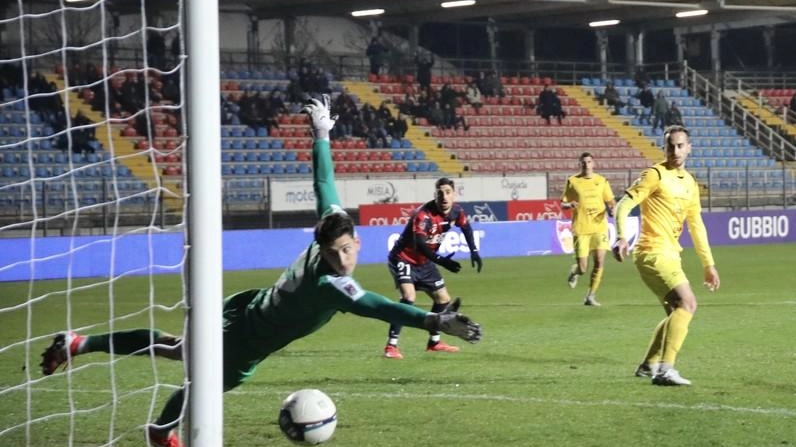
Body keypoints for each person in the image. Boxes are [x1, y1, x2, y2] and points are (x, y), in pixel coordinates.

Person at [39, 95, 483, 447]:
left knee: (178, 351)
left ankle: (81, 344)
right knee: (203, 379)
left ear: (355, 240)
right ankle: (158, 431)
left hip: (247, 305)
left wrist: (321, 135)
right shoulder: (333, 284)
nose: (341, 259)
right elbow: (374, 304)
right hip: (250, 337)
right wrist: (432, 319)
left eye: (346, 251)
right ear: (322, 249)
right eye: (332, 254)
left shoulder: (332, 220)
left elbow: (324, 184)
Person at [612, 125, 720, 386]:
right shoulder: (654, 175)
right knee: (688, 304)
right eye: (671, 146)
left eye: (680, 145)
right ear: (664, 148)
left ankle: (649, 365)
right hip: (652, 252)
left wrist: (709, 264)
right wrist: (621, 235)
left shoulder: (691, 184)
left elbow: (696, 225)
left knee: (676, 311)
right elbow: (624, 204)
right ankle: (665, 370)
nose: (675, 150)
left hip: (671, 254)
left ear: (689, 147)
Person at [383, 177, 484, 359]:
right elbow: (421, 244)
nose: (444, 196)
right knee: (408, 297)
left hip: (425, 262)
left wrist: (474, 251)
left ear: (454, 194)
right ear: (435, 195)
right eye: (440, 193)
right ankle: (391, 346)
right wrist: (442, 261)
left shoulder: (456, 211)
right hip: (403, 258)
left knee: (443, 298)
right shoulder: (423, 215)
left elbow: (467, 228)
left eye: (447, 192)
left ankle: (434, 342)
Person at [561, 152, 616, 306]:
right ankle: (575, 271)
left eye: (589, 161)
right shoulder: (572, 181)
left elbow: (611, 201)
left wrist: (612, 209)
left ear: (594, 163)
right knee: (583, 268)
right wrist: (569, 205)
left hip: (599, 227)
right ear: (580, 164)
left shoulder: (602, 181)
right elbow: (563, 203)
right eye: (583, 162)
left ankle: (590, 296)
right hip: (581, 228)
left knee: (599, 262)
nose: (586, 165)